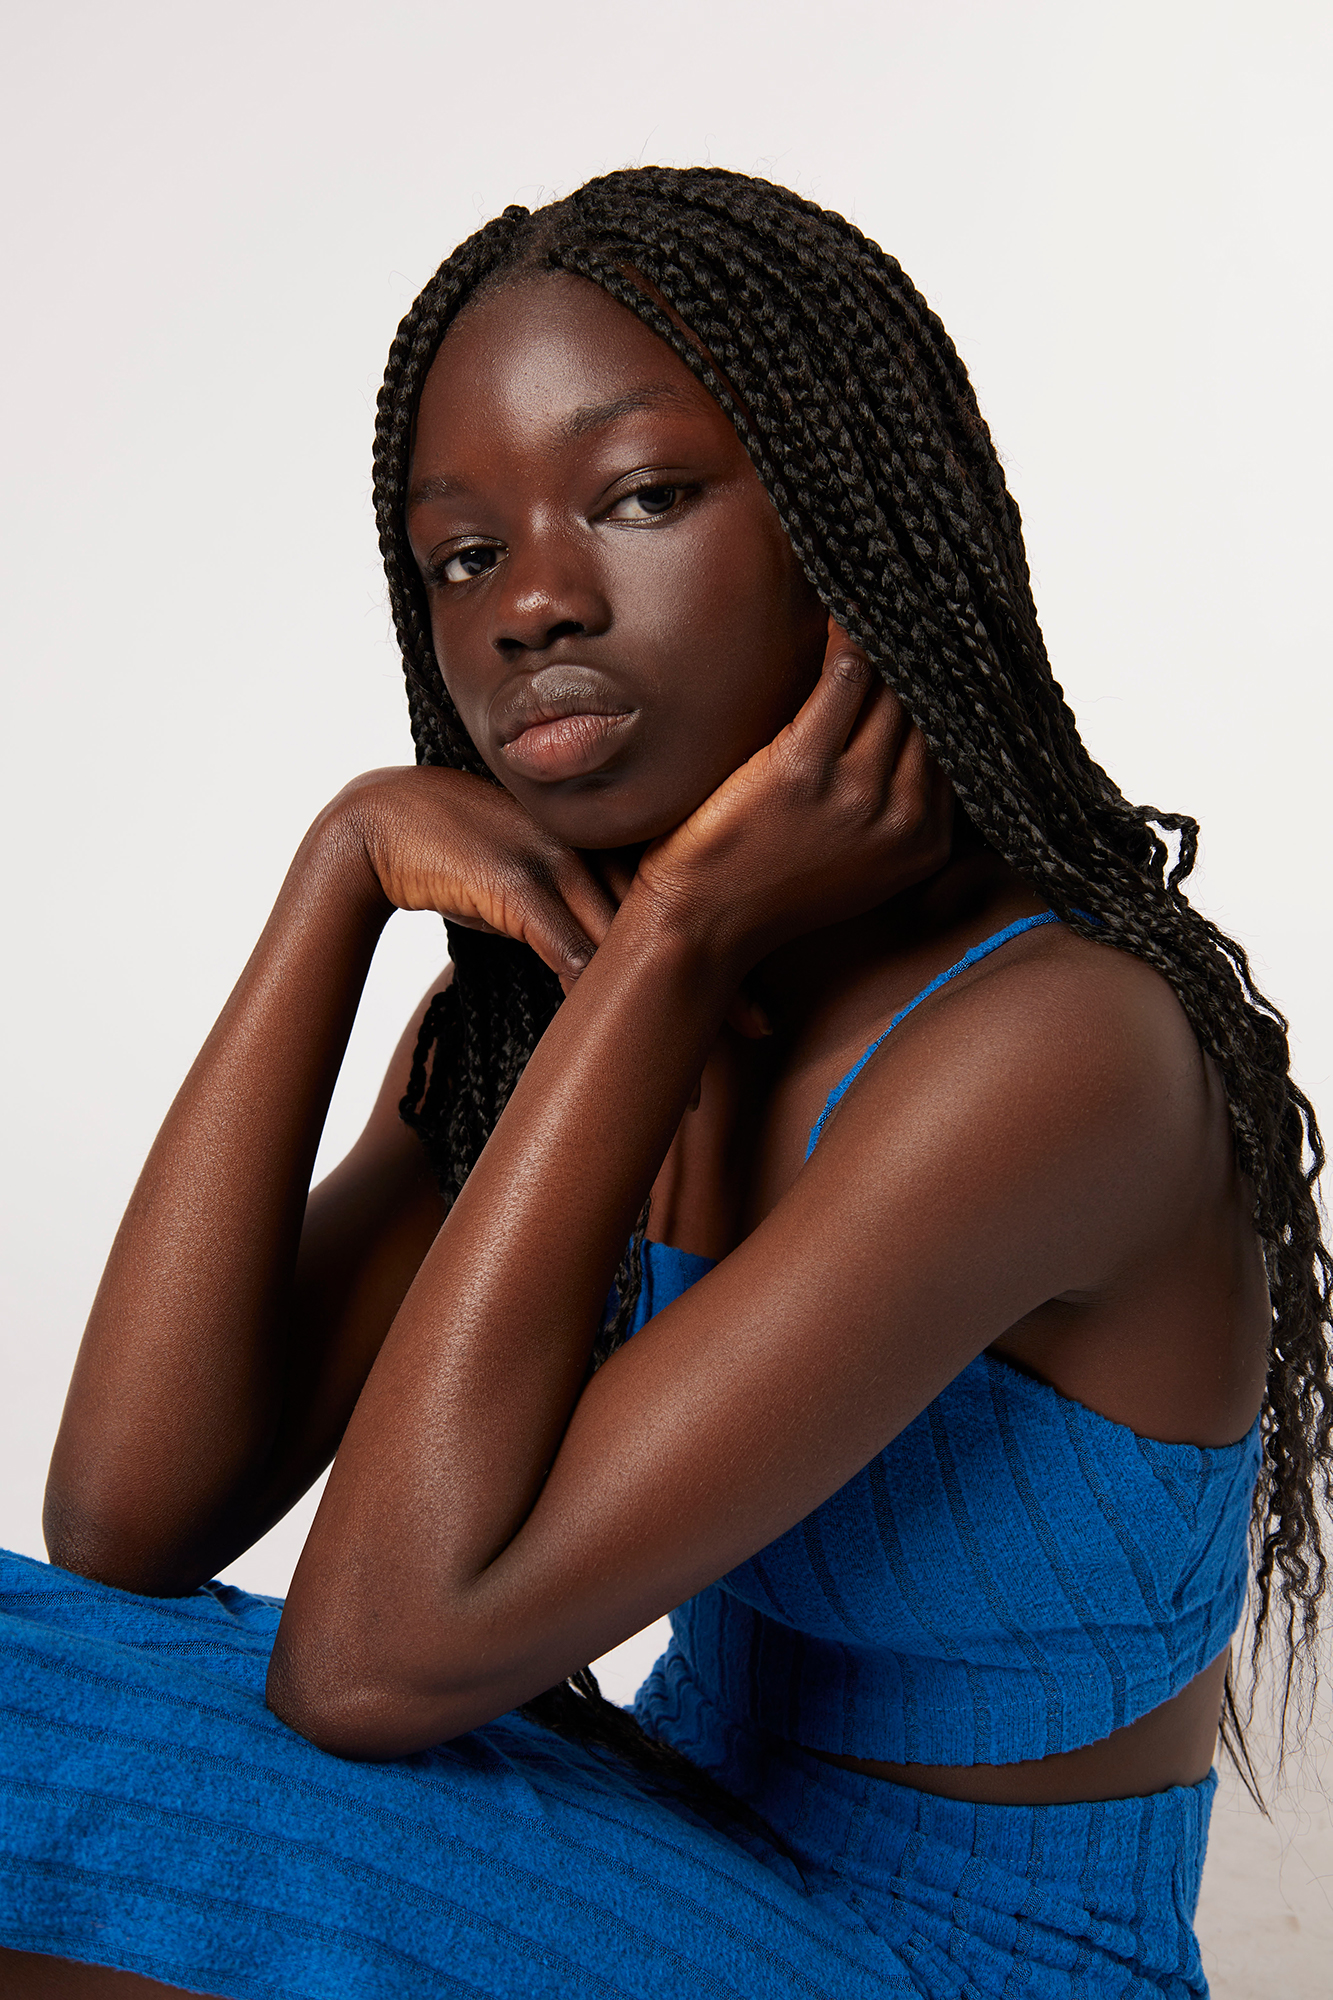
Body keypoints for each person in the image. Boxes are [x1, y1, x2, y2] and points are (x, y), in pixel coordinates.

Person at [0, 166, 1326, 1999]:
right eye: (461, 555)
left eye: (637, 498)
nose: (529, 604)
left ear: (854, 530)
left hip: (952, 1965)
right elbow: (127, 1529)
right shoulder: (582, 1009)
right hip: (679, 1845)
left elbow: (370, 1663)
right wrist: (335, 876)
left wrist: (681, 935)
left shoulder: (1053, 1052)